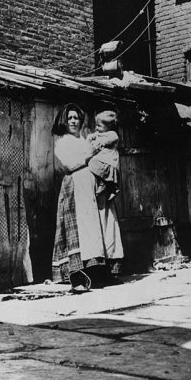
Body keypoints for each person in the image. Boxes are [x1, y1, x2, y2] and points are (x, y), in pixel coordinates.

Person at [51, 104, 124, 292]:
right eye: (70, 118)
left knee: (95, 229)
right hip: (75, 186)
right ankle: (77, 277)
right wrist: (91, 152)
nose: (74, 121)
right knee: (78, 230)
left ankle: (100, 275)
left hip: (91, 188)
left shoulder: (85, 139)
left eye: (76, 118)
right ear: (64, 121)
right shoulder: (63, 142)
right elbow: (70, 164)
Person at [86, 110, 120, 200]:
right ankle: (104, 185)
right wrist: (91, 137)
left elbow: (113, 138)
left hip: (108, 161)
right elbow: (93, 135)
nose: (96, 128)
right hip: (103, 160)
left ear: (108, 127)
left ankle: (110, 188)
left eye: (99, 126)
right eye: (96, 125)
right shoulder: (99, 133)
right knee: (93, 165)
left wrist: (103, 142)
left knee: (94, 164)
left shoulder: (112, 134)